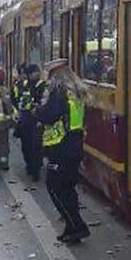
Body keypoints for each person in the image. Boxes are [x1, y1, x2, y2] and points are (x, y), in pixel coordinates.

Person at [36, 58, 89, 244]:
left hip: (61, 147)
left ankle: (77, 225)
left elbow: (49, 115)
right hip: (74, 144)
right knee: (67, 189)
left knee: (55, 188)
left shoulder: (59, 92)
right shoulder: (76, 92)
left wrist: (36, 110)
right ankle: (71, 227)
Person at [17, 64, 46, 181]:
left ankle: (35, 169)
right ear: (29, 74)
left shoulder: (43, 86)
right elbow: (17, 99)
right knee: (26, 145)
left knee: (36, 145)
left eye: (37, 71)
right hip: (25, 120)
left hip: (36, 120)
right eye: (34, 72)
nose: (37, 74)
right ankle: (29, 165)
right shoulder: (23, 85)